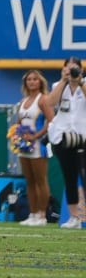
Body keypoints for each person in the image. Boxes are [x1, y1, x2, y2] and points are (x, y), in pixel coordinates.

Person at [45, 57, 86, 228]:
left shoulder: (84, 84)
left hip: (83, 136)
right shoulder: (58, 86)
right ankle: (74, 217)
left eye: (74, 69)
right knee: (69, 176)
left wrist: (80, 82)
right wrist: (64, 81)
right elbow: (50, 102)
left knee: (85, 176)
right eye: (68, 69)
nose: (72, 72)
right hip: (63, 137)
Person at [12, 70, 51, 226]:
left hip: (38, 146)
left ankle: (42, 214)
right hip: (24, 146)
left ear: (40, 82)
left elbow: (50, 121)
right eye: (29, 79)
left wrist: (36, 136)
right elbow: (19, 123)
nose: (32, 82)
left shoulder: (43, 100)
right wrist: (17, 136)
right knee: (30, 180)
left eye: (35, 79)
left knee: (40, 180)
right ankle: (33, 213)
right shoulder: (23, 101)